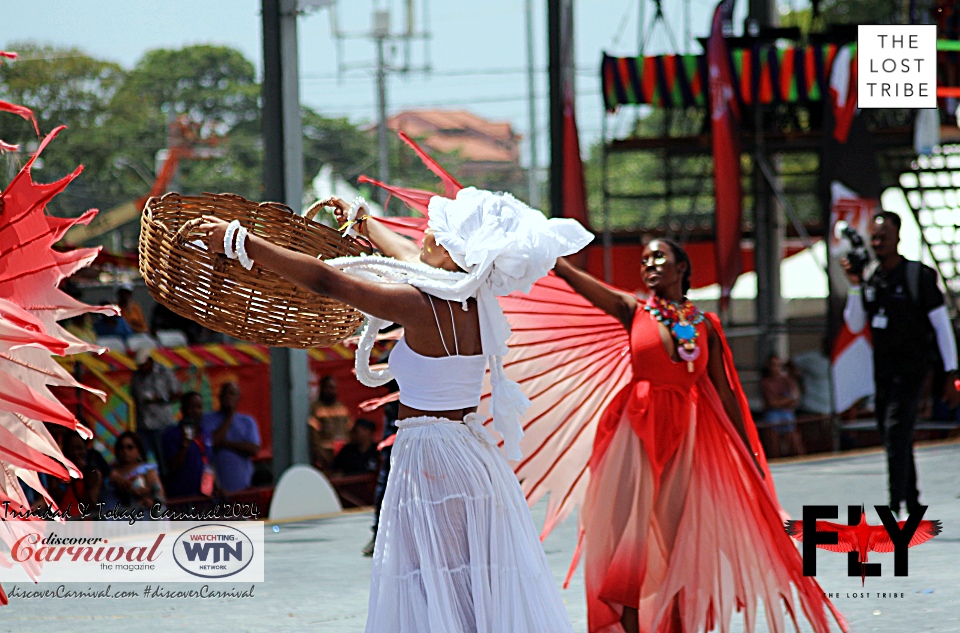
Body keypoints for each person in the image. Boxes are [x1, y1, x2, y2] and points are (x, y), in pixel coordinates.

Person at [196, 186, 590, 632]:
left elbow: (329, 280)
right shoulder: (476, 302)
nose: (423, 235)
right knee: (465, 578)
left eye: (434, 232)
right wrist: (363, 220)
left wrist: (243, 242)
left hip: (431, 456)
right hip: (472, 456)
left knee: (434, 579)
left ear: (449, 250)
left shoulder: (418, 304)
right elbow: (407, 254)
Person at [553, 240, 845, 633]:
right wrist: (549, 257)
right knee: (630, 534)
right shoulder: (633, 310)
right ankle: (629, 624)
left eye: (659, 257)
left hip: (684, 439)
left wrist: (749, 453)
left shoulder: (704, 325)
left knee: (680, 538)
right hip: (635, 434)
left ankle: (674, 623)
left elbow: (725, 394)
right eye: (644, 261)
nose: (649, 265)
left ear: (681, 268)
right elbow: (575, 279)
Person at [841, 211, 960, 519]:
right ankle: (914, 499)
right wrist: (854, 285)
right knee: (894, 433)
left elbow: (941, 326)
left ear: (897, 238)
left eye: (884, 237)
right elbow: (855, 324)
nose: (878, 242)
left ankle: (895, 504)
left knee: (896, 429)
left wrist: (951, 371)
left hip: (914, 368)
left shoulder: (918, 276)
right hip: (883, 369)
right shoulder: (871, 277)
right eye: (874, 237)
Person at [129, 343, 181, 480]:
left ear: (150, 360)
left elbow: (177, 393)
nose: (142, 368)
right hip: (143, 424)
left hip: (161, 423)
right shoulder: (136, 377)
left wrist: (161, 399)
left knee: (163, 458)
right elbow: (133, 395)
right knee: (142, 458)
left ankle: (167, 484)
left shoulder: (164, 372)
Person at [201, 382, 261, 493]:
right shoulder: (207, 419)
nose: (228, 397)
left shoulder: (247, 421)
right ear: (219, 397)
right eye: (225, 394)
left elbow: (254, 449)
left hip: (243, 485)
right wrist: (229, 417)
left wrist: (226, 444)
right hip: (218, 489)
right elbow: (213, 442)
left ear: (238, 398)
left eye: (232, 394)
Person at [163, 392, 218, 499]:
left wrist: (212, 487)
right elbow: (171, 467)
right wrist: (184, 445)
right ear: (182, 409)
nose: (194, 411)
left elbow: (208, 463)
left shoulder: (205, 434)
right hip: (181, 498)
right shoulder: (171, 434)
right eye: (190, 407)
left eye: (198, 407)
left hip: (204, 497)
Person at [105, 431, 165, 511]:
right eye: (121, 448)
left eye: (130, 447)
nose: (125, 451)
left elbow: (159, 496)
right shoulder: (110, 472)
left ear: (138, 450)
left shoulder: (147, 471)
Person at [760, 353, 805, 457]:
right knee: (773, 438)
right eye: (773, 365)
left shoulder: (787, 380)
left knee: (794, 438)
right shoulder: (766, 383)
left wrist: (780, 401)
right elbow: (771, 403)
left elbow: (795, 400)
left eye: (777, 365)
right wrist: (787, 400)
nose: (775, 368)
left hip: (787, 413)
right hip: (773, 414)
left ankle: (800, 459)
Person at [308, 375, 353, 471]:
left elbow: (349, 431)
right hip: (325, 457)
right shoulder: (315, 408)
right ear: (322, 389)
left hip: (343, 457)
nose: (330, 391)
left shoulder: (342, 408)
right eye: (328, 388)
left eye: (333, 388)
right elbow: (314, 437)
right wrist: (322, 457)